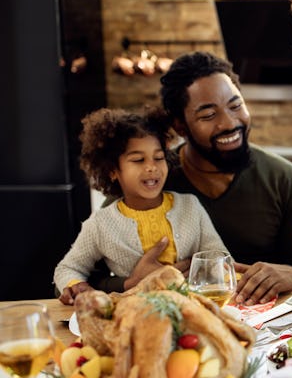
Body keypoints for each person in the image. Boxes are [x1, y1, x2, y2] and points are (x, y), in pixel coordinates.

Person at [158, 51, 292, 304]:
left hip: (270, 333)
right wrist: (139, 279)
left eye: (236, 106)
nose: (229, 123)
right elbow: (84, 277)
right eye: (208, 115)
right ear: (180, 126)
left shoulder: (283, 179)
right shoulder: (153, 178)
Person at [55, 107, 228, 305]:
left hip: (194, 306)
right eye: (138, 160)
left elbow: (219, 258)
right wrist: (78, 285)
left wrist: (201, 269)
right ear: (112, 170)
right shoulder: (100, 224)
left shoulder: (190, 206)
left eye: (159, 157)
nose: (151, 167)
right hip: (137, 312)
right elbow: (67, 268)